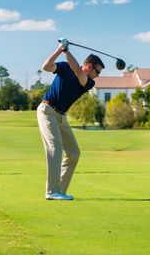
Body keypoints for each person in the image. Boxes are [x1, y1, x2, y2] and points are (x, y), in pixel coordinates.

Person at [37, 40, 104, 200]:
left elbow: (77, 71)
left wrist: (66, 50)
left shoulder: (88, 82)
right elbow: (45, 66)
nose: (98, 75)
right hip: (47, 111)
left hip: (61, 116)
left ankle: (59, 189)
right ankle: (52, 191)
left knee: (74, 153)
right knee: (55, 148)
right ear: (89, 66)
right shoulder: (64, 67)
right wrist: (60, 49)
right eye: (97, 71)